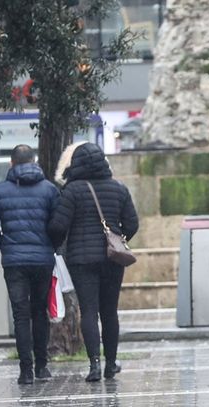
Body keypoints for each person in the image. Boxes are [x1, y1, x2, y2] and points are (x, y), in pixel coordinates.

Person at [48, 142, 139, 382]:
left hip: (81, 260)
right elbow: (132, 224)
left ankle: (94, 366)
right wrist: (118, 239)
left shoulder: (72, 191)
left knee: (89, 311)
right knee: (110, 312)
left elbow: (58, 225)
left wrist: (59, 244)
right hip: (112, 259)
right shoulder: (119, 189)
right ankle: (111, 364)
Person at [0, 145, 60, 384]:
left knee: (20, 315)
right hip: (43, 260)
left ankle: (25, 371)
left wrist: (2, 244)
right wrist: (52, 246)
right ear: (34, 161)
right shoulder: (49, 189)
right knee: (40, 311)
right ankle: (42, 367)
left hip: (14, 261)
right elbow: (59, 223)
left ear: (11, 163)